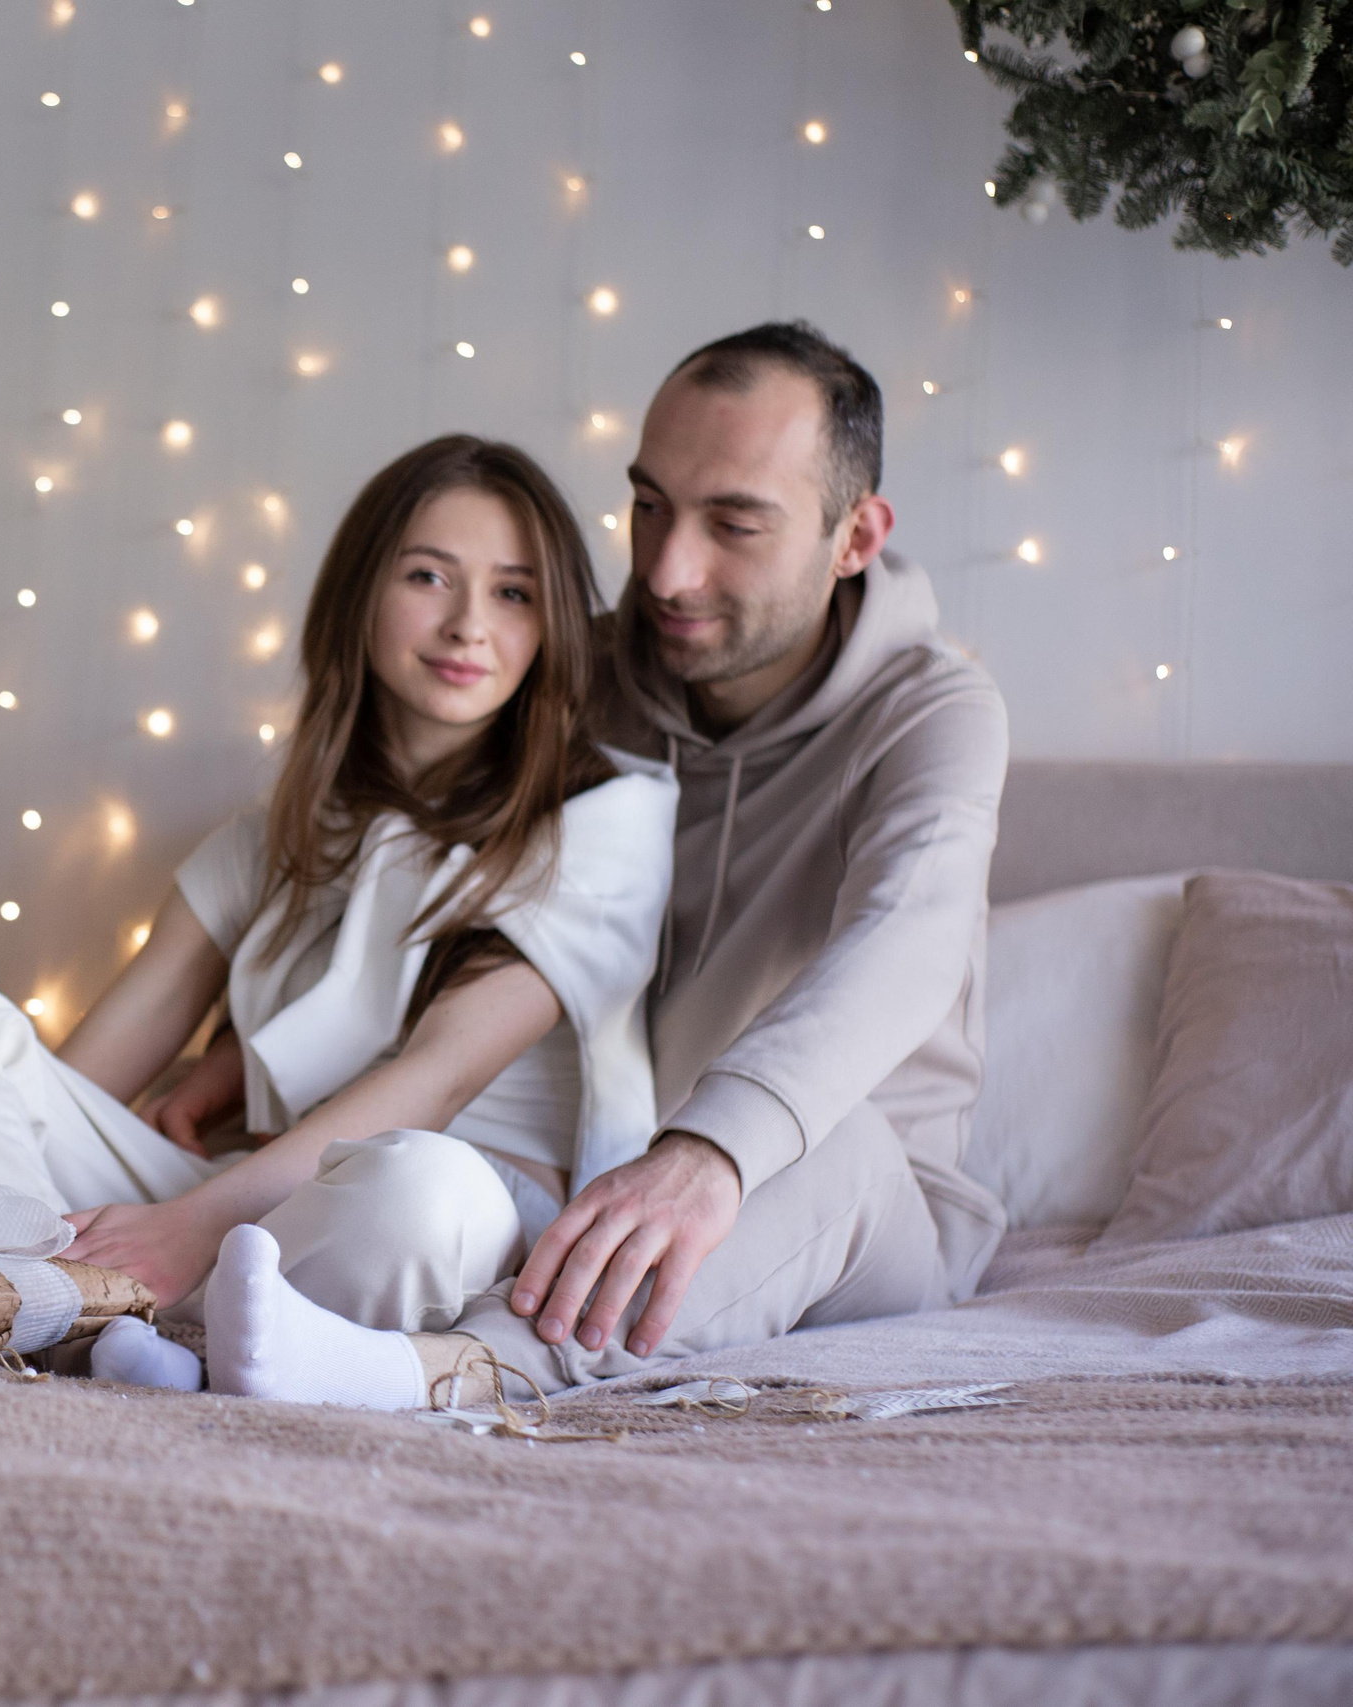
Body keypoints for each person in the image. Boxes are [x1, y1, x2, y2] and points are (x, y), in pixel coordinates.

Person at [211, 320, 1012, 1406]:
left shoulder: (933, 714)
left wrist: (711, 1153)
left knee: (839, 1147)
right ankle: (205, 1329)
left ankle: (443, 1376)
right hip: (578, 1195)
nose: (669, 571)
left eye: (734, 524)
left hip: (859, 1220)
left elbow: (901, 947)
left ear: (854, 536)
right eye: (648, 507)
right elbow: (411, 852)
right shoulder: (569, 670)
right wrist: (245, 1037)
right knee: (414, 1195)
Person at [0, 435, 676, 1394]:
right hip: (236, 1209)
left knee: (421, 1187)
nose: (470, 624)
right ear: (361, 594)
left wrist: (197, 1223)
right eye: (430, 576)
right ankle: (107, 1326)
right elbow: (65, 1092)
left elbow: (437, 1077)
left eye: (514, 592)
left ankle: (77, 1319)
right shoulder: (274, 836)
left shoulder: (604, 819)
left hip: (411, 1215)